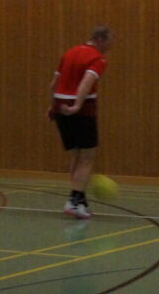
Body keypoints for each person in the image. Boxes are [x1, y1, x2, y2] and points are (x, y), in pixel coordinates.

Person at [48, 25, 113, 219]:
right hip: (82, 110)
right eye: (109, 42)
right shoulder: (97, 59)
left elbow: (53, 84)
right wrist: (77, 105)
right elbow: (87, 81)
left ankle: (80, 201)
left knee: (77, 156)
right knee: (87, 157)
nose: (110, 46)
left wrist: (52, 106)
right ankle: (73, 202)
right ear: (100, 39)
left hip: (60, 106)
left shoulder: (69, 53)